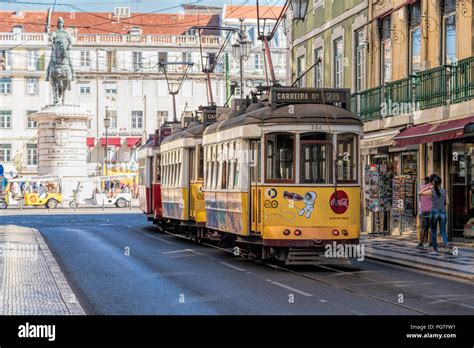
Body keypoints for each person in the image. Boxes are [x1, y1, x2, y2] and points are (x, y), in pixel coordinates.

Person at [419, 175, 449, 253]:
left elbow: (420, 193)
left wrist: (427, 187)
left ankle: (435, 249)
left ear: (434, 183)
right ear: (440, 183)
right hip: (442, 212)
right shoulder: (444, 191)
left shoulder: (432, 191)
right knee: (443, 231)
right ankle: (447, 245)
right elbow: (448, 202)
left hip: (434, 212)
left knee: (433, 231)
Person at [417, 174, 437, 249]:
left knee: (423, 228)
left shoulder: (422, 187)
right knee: (432, 228)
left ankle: (420, 243)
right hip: (432, 211)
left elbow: (420, 199)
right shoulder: (434, 189)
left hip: (423, 210)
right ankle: (431, 243)